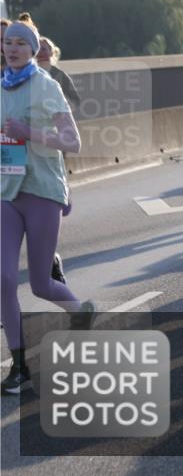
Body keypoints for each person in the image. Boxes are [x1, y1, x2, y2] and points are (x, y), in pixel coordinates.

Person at [2, 21, 94, 394]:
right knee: (5, 280)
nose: (11, 48)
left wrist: (31, 134)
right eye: (7, 42)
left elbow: (73, 142)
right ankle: (19, 365)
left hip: (42, 191)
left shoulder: (47, 86)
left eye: (19, 43)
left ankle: (80, 311)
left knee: (40, 284)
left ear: (32, 48)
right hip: (6, 193)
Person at [35, 37, 81, 108]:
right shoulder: (29, 74)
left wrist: (61, 111)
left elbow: (75, 100)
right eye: (37, 49)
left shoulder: (59, 75)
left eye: (43, 49)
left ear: (51, 52)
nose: (40, 52)